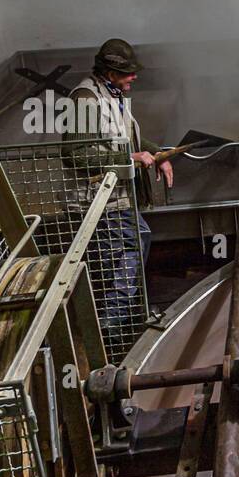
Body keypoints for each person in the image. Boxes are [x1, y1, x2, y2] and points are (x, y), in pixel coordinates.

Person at [61, 38, 172, 333]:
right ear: (111, 74)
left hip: (115, 196)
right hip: (96, 198)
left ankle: (125, 313)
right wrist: (129, 156)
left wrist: (158, 153)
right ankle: (113, 321)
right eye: (128, 73)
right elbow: (74, 154)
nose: (134, 77)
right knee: (133, 244)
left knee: (127, 250)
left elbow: (126, 135)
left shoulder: (110, 93)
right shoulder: (85, 99)